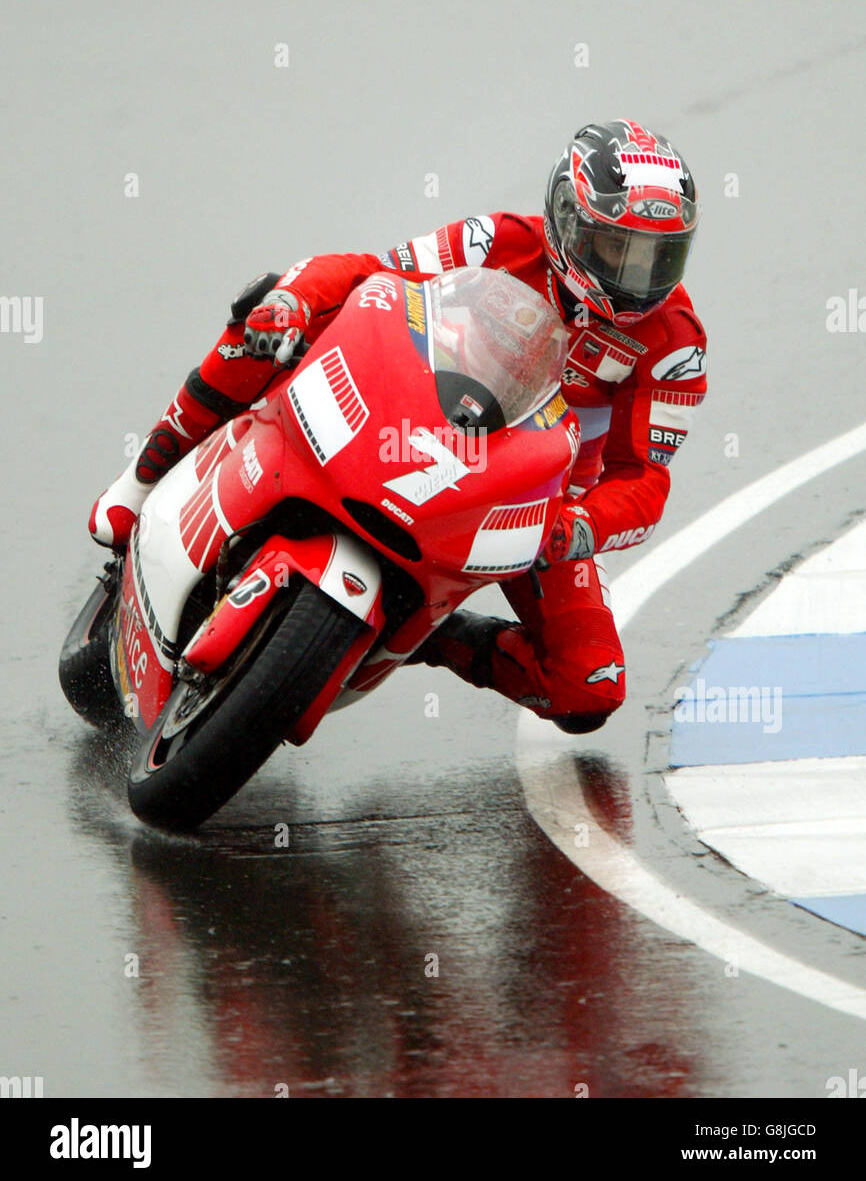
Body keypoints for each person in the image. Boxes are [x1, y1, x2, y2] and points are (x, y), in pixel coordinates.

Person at [89, 119, 707, 734]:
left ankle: (431, 639)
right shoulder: (497, 240)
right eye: (617, 247)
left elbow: (644, 481)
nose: (636, 275)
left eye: (659, 255)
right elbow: (370, 278)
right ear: (569, 221)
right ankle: (144, 477)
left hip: (536, 500)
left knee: (589, 686)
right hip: (417, 410)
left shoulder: (676, 345)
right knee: (269, 308)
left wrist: (583, 525)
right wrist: (294, 305)